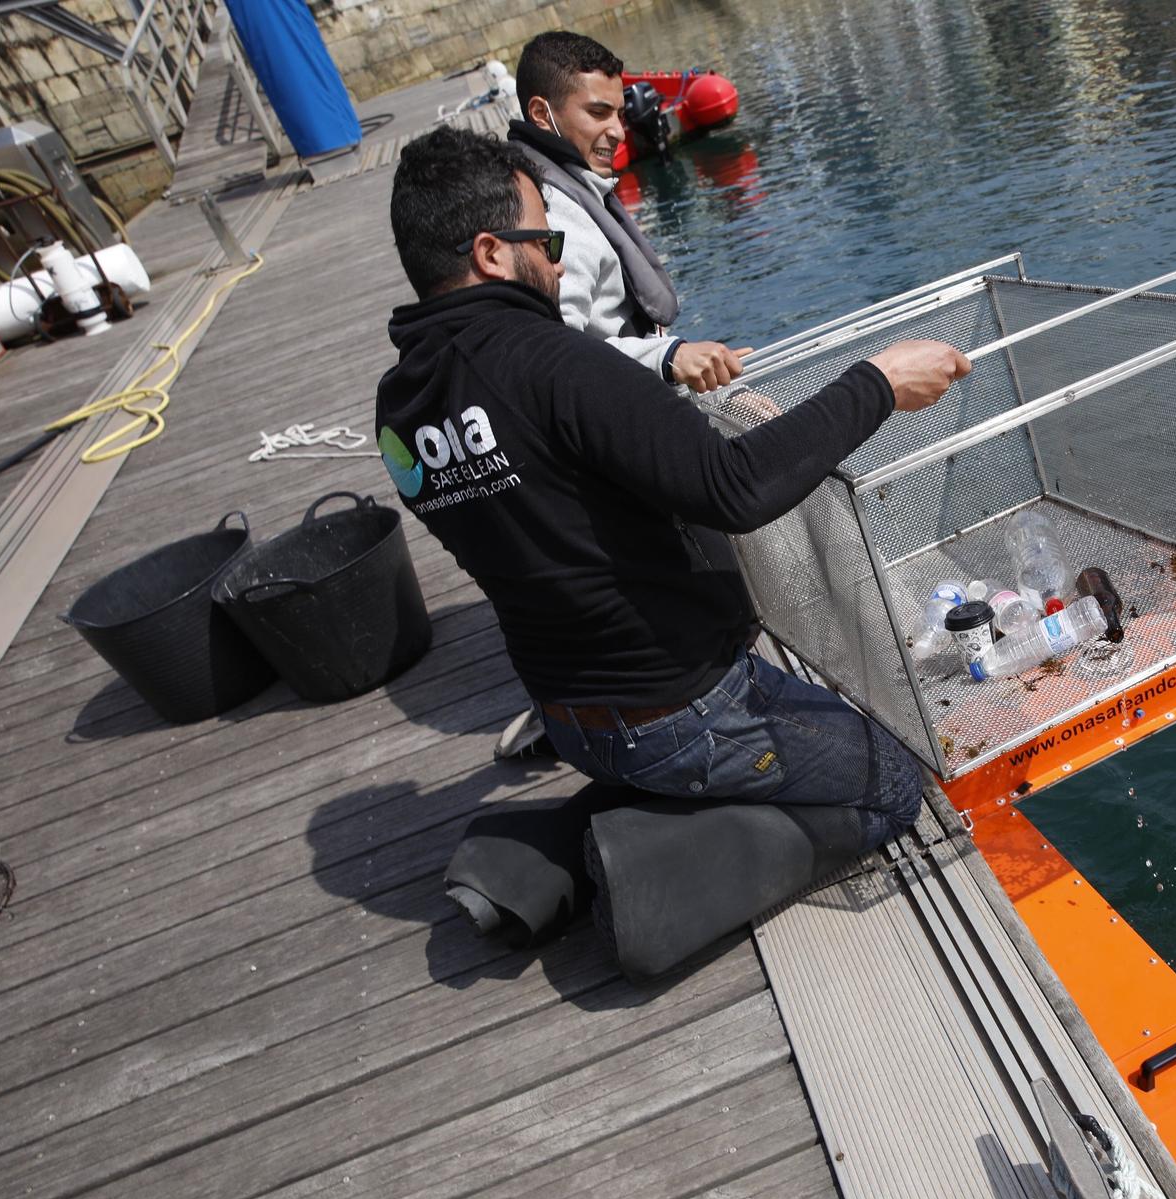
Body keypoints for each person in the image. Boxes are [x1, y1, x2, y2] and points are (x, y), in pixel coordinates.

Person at [379, 127, 970, 853]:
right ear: (492, 252)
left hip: (567, 716)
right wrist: (878, 384)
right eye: (549, 245)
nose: (561, 270)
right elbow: (736, 486)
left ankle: (638, 807)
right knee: (898, 782)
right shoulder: (557, 365)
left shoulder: (400, 410)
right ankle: (639, 862)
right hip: (679, 713)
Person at [507, 30, 743, 394]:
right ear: (541, 114)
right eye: (598, 113)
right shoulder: (550, 212)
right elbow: (556, 352)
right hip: (627, 413)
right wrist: (668, 357)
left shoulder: (555, 183)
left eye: (619, 114)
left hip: (640, 392)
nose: (618, 131)